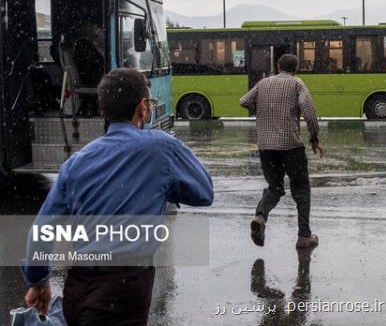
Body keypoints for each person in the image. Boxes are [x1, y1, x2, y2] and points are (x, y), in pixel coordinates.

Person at [22, 68, 214, 325]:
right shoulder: (161, 147)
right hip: (124, 290)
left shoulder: (76, 162)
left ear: (103, 111)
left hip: (77, 289)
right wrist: (163, 186)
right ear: (143, 107)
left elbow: (43, 229)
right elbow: (204, 193)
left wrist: (38, 281)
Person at [240, 54, 324, 249]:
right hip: (291, 146)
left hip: (266, 147)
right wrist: (314, 138)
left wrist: (259, 108)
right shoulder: (297, 84)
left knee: (275, 188)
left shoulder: (263, 83)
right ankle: (304, 236)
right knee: (301, 190)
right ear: (296, 68)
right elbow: (310, 113)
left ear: (277, 66)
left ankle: (260, 216)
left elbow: (243, 101)